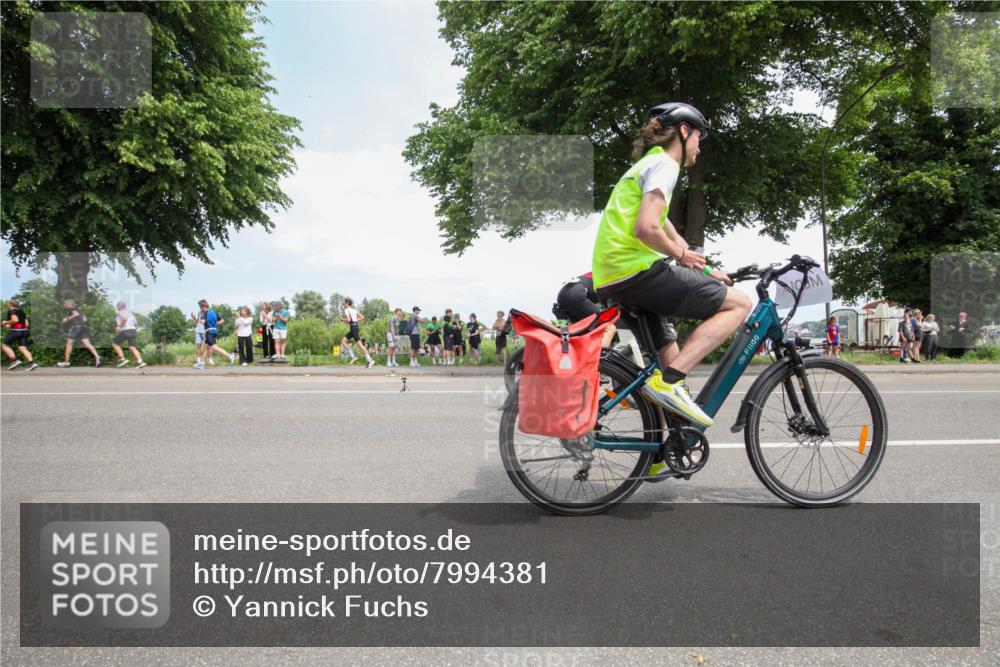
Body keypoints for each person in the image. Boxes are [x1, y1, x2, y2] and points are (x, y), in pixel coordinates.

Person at [592, 102, 747, 436]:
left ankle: (664, 451)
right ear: (684, 131)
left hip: (614, 276)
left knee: (667, 350)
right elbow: (647, 228)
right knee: (740, 304)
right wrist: (680, 254)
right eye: (699, 138)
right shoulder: (665, 164)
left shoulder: (649, 165)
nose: (700, 148)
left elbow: (667, 230)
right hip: (633, 271)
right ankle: (670, 383)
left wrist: (704, 270)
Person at [56, 300, 102, 367]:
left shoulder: (71, 308)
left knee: (69, 344)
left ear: (69, 304)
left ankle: (66, 362)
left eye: (65, 303)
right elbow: (85, 319)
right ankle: (97, 357)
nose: (64, 304)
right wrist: (67, 318)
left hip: (76, 327)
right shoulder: (78, 309)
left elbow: (75, 314)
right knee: (87, 344)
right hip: (83, 327)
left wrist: (67, 319)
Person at [196, 299, 236, 369]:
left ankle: (230, 356)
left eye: (200, 307)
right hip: (214, 331)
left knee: (214, 348)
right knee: (205, 348)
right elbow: (222, 320)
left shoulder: (204, 313)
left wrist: (196, 320)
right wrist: (215, 324)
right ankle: (201, 364)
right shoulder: (214, 312)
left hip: (209, 332)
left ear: (203, 306)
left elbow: (202, 321)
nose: (200, 309)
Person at [2, 299, 38, 371]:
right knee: (22, 348)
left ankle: (15, 360)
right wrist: (8, 324)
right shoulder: (22, 312)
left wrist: (6, 322)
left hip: (16, 331)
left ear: (10, 304)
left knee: (4, 345)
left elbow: (15, 320)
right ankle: (32, 363)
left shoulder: (11, 311)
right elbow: (26, 324)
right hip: (24, 331)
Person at [340, 297, 375, 368]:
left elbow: (349, 320)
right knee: (343, 341)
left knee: (360, 346)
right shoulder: (354, 310)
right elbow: (362, 317)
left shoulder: (347, 310)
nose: (344, 305)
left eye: (344, 303)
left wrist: (343, 320)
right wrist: (355, 320)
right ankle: (353, 357)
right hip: (355, 328)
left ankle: (370, 361)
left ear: (347, 303)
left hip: (353, 328)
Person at [111, 301, 145, 368]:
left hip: (126, 330)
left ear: (120, 306)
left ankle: (122, 359)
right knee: (132, 347)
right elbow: (136, 323)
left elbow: (124, 319)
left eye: (117, 306)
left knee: (115, 344)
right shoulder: (130, 313)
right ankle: (140, 361)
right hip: (133, 330)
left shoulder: (120, 312)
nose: (117, 307)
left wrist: (119, 327)